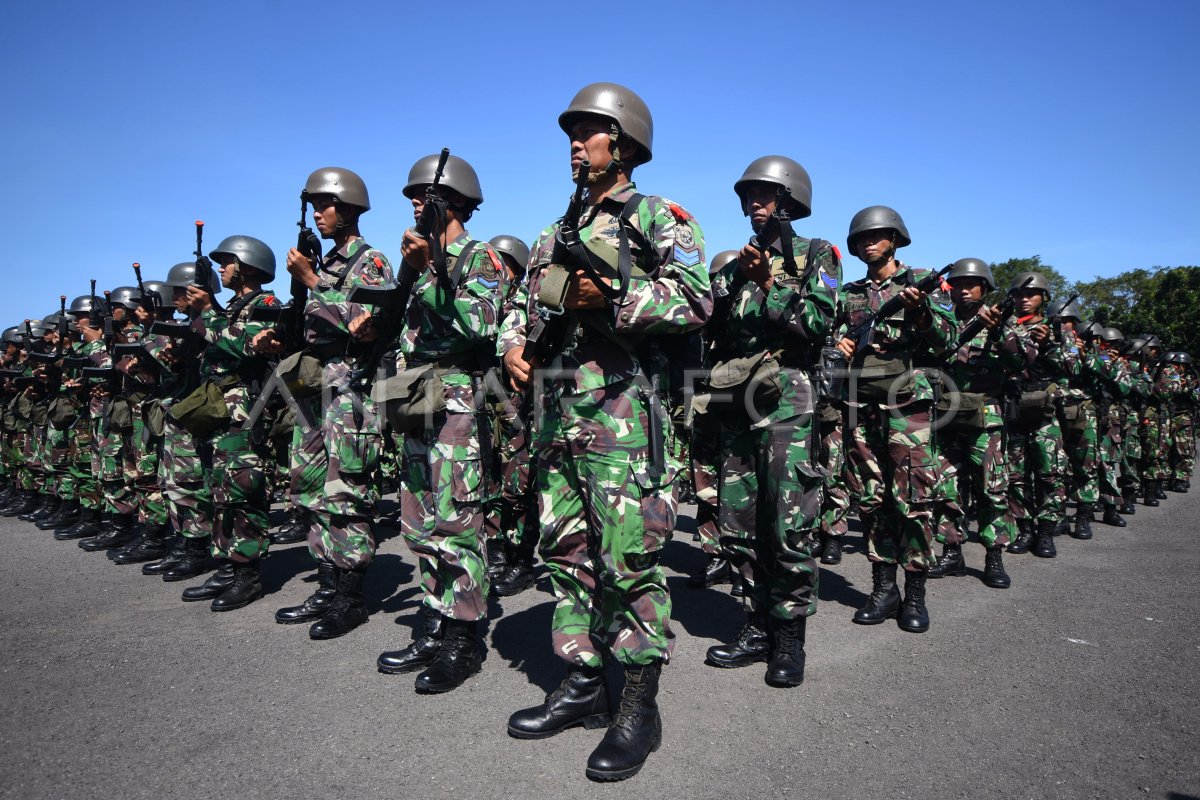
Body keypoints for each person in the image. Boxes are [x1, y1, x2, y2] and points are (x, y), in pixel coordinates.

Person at [498, 82, 711, 781]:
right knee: (565, 555)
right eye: (572, 132)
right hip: (559, 420)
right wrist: (512, 346)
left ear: (621, 142)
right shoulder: (551, 232)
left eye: (588, 132)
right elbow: (523, 306)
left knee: (628, 562)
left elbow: (694, 296)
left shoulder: (657, 215)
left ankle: (639, 709)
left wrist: (616, 295)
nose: (574, 143)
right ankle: (584, 684)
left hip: (623, 416)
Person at [701, 156, 840, 686]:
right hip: (738, 402)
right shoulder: (731, 266)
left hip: (788, 399)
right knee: (739, 522)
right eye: (747, 196)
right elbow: (712, 330)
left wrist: (768, 286)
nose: (752, 204)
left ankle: (788, 639)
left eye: (763, 195)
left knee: (789, 523)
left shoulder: (817, 254)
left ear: (788, 198)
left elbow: (818, 321)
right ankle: (755, 623)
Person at [375, 153, 501, 693]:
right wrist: (412, 271)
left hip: (456, 402)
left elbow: (481, 325)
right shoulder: (415, 258)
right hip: (416, 399)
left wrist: (434, 269)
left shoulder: (481, 257)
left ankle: (463, 636)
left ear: (448, 199)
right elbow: (385, 328)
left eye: (420, 194)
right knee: (419, 522)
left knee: (455, 521)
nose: (411, 203)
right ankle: (434, 618)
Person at [254, 167, 394, 640]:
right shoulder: (329, 263)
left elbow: (365, 322)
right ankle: (327, 582)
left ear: (349, 208)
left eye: (325, 206)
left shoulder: (369, 262)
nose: (318, 215)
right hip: (313, 386)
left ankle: (351, 596)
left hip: (350, 388)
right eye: (313, 206)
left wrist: (312, 280)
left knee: (346, 492)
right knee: (311, 488)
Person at [835, 205, 957, 633]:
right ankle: (884, 589)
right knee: (871, 499)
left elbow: (948, 342)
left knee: (915, 500)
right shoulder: (847, 293)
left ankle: (916, 594)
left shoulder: (922, 283)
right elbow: (829, 339)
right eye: (862, 238)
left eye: (878, 235)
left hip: (908, 409)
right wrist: (839, 345)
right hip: (861, 407)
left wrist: (923, 313)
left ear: (895, 239)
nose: (869, 242)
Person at [177, 235, 279, 611]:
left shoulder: (266, 304)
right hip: (219, 406)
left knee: (242, 488)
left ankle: (247, 573)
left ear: (249, 266)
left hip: (244, 407)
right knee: (218, 490)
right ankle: (228, 562)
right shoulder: (232, 305)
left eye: (228, 262)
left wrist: (209, 312)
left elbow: (244, 344)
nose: (222, 269)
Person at [927, 258, 1033, 587]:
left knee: (992, 491)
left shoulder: (1005, 323)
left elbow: (1025, 362)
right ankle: (952, 551)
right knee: (947, 489)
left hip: (985, 419)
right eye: (957, 284)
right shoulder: (942, 320)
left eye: (971, 284)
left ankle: (993, 555)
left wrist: (999, 331)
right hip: (947, 415)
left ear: (985, 288)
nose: (963, 290)